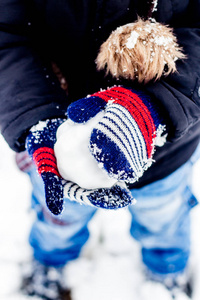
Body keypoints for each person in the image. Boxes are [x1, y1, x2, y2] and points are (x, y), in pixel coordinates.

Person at [1, 0, 200, 299]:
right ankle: (52, 261)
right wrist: (35, 116)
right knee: (58, 218)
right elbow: (7, 36)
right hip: (59, 146)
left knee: (164, 221)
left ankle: (166, 269)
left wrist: (158, 105)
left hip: (167, 152)